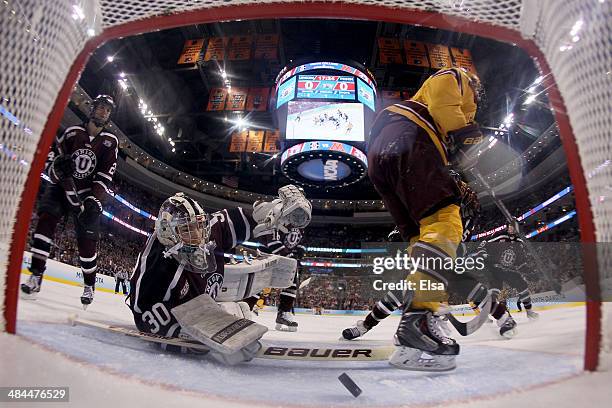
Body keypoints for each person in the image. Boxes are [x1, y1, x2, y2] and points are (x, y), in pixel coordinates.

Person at [366, 66, 489, 371]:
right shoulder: (456, 75)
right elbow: (446, 107)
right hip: (410, 138)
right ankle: (418, 322)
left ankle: (423, 315)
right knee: (445, 220)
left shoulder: (413, 115)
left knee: (420, 239)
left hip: (382, 158)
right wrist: (470, 134)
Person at [128, 186, 311, 362]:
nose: (198, 234)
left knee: (240, 309)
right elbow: (146, 318)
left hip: (205, 301)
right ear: (167, 232)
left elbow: (241, 219)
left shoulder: (209, 230)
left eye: (199, 225)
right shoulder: (157, 268)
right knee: (236, 319)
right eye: (187, 229)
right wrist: (196, 340)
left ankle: (233, 309)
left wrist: (271, 211)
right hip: (184, 310)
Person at [342, 172, 517, 341]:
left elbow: (458, 247)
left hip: (443, 258)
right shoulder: (432, 206)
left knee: (465, 286)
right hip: (431, 258)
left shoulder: (465, 214)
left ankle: (502, 316)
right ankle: (365, 326)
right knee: (400, 293)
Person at [21, 95, 118, 308]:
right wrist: (56, 168)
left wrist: (93, 198)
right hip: (61, 188)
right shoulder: (72, 132)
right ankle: (36, 276)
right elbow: (51, 159)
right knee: (44, 223)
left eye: (107, 110)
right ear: (92, 109)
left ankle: (89, 285)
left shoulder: (111, 142)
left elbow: (105, 175)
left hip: (86, 195)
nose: (103, 112)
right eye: (100, 107)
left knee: (87, 244)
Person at [473, 223, 539, 320]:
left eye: (513, 227)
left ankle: (529, 311)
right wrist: (484, 255)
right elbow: (482, 246)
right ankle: (498, 315)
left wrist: (529, 272)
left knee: (522, 286)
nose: (511, 229)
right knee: (494, 291)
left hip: (508, 270)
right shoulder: (499, 235)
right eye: (509, 226)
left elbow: (520, 263)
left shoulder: (519, 243)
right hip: (494, 269)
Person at [245, 227, 306, 331]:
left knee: (291, 283)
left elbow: (301, 243)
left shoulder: (301, 223)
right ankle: (245, 311)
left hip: (286, 259)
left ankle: (284, 313)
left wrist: (298, 257)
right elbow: (273, 242)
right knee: (257, 284)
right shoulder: (277, 217)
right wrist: (291, 257)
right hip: (266, 256)